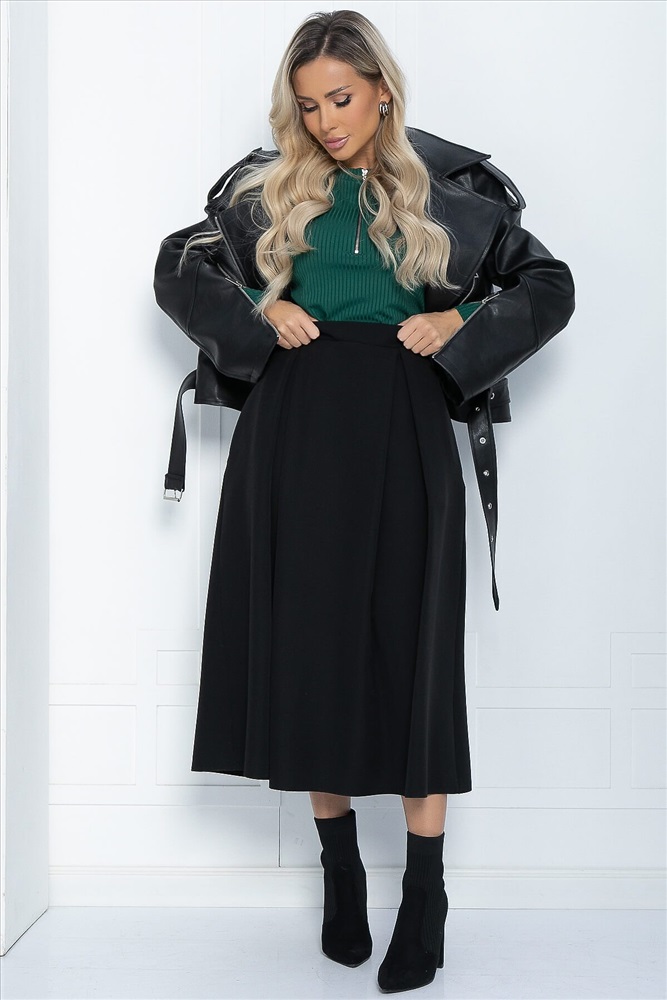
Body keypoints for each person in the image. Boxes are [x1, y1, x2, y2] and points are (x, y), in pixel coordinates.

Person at [153, 9, 575, 994]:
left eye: (340, 99)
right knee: (312, 654)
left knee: (412, 650)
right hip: (293, 427)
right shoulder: (267, 190)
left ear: (382, 89)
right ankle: (339, 873)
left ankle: (424, 895)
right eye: (308, 106)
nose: (325, 121)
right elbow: (177, 267)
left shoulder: (453, 192)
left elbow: (548, 285)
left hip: (402, 422)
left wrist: (460, 320)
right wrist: (259, 309)